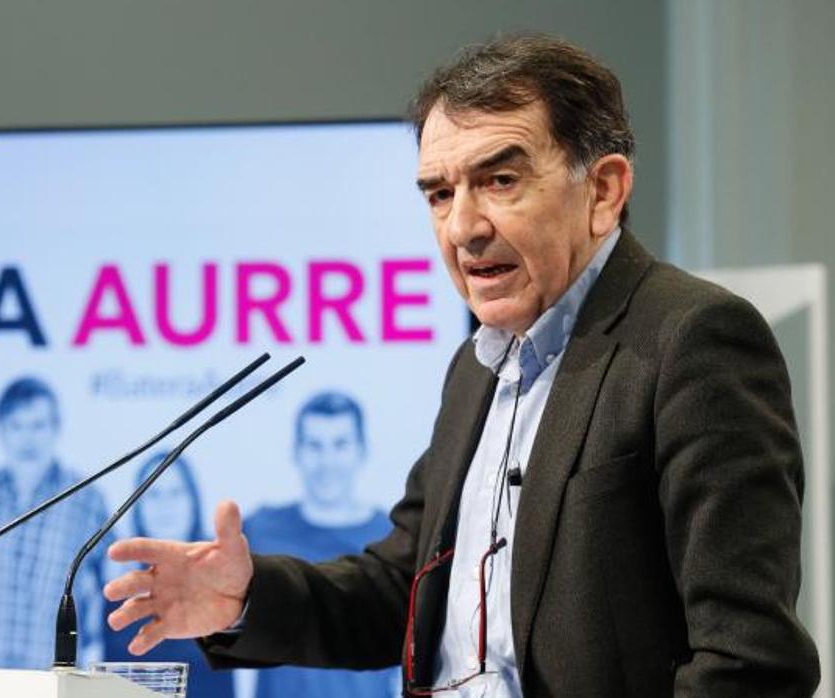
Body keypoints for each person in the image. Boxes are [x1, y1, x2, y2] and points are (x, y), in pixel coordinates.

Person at [102, 34, 821, 696]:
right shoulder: (476, 367)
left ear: (603, 191)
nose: (462, 228)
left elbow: (748, 662)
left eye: (500, 180)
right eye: (440, 194)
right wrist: (247, 598)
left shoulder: (688, 341)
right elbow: (403, 591)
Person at [0, 376, 110, 669]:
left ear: (56, 428)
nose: (28, 439)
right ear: (1, 431)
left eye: (38, 426)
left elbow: (112, 576)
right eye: (17, 426)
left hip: (54, 674)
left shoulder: (84, 498)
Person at [243, 392, 394, 698]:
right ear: (296, 451)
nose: (327, 462)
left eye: (340, 445)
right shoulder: (259, 530)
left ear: (362, 450)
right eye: (314, 446)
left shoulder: (393, 536)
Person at [103, 452, 236, 698]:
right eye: (153, 494)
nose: (165, 505)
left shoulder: (223, 575)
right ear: (138, 508)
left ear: (193, 502)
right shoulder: (116, 582)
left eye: (176, 493)